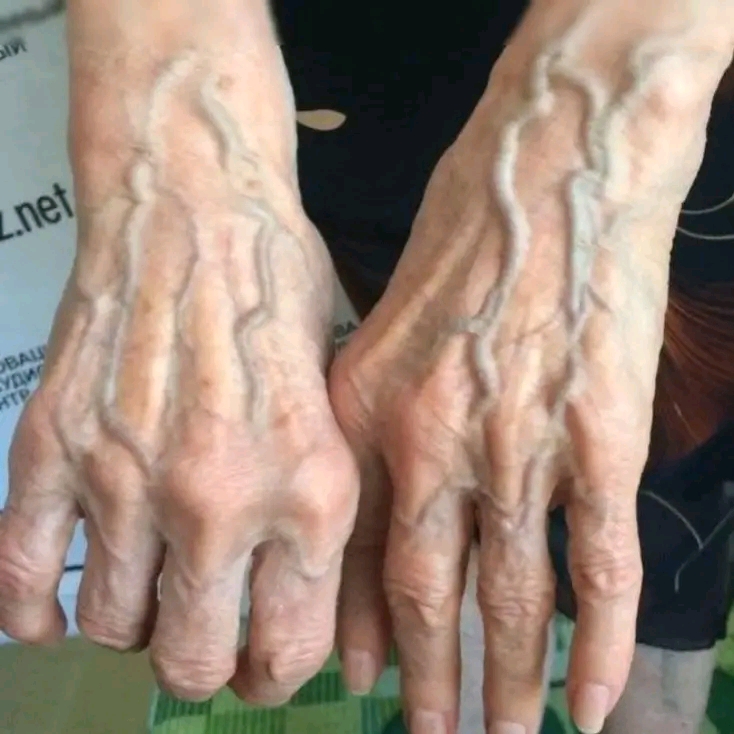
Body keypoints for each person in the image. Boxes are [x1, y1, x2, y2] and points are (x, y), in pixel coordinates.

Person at [0, 1, 732, 733]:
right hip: (337, 60)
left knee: (651, 422)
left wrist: (604, 104)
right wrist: (173, 149)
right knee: (439, 430)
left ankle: (657, 676)